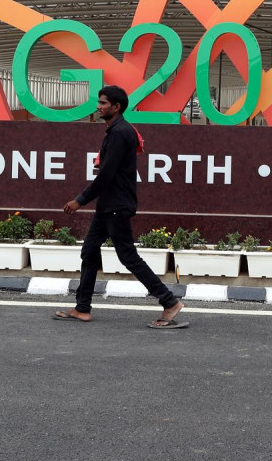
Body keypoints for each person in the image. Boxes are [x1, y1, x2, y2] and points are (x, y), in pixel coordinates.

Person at [56, 85, 186, 329]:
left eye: (103, 103)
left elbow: (107, 174)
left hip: (116, 204)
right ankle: (82, 308)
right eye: (99, 101)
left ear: (115, 107)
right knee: (89, 251)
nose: (99, 106)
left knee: (128, 256)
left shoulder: (120, 132)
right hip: (109, 204)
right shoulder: (116, 130)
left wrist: (80, 200)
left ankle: (169, 302)